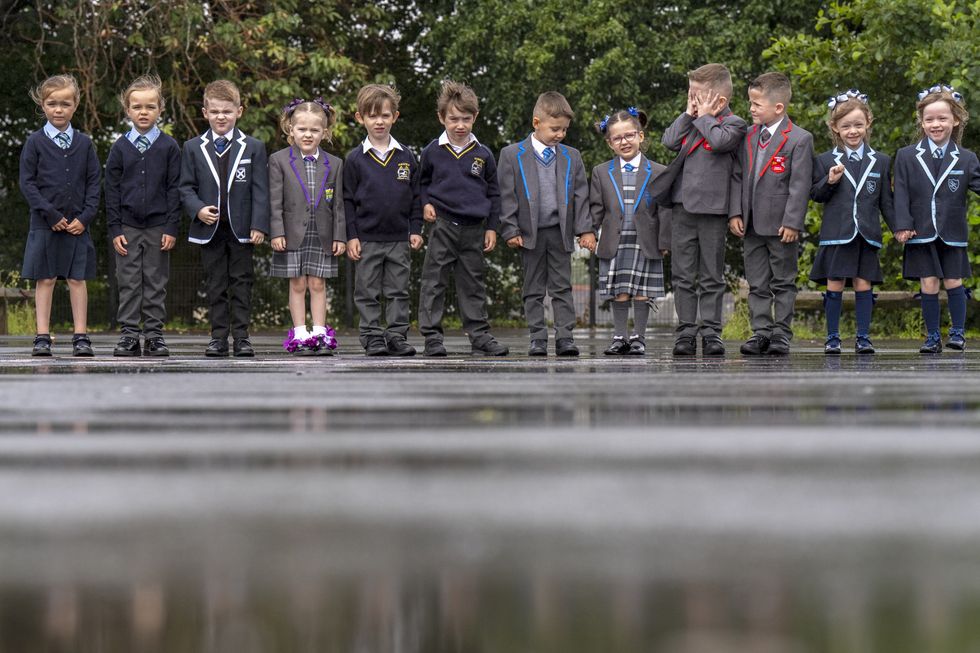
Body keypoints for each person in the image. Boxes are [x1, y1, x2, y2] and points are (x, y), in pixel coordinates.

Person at [657, 63, 746, 357]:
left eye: (697, 96)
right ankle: (685, 331)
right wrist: (689, 114)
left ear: (718, 101)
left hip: (713, 211)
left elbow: (720, 143)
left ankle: (711, 332)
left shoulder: (734, 124)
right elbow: (669, 141)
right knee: (683, 274)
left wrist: (706, 118)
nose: (692, 100)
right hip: (682, 208)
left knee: (711, 275)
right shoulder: (691, 120)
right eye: (690, 94)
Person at [498, 91, 594, 357]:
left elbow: (581, 195)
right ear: (536, 122)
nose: (560, 134)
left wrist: (585, 229)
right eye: (555, 129)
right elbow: (506, 197)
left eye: (564, 129)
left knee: (562, 287)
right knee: (533, 288)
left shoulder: (571, 157)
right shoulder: (511, 155)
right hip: (529, 234)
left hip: (558, 231)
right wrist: (510, 229)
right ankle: (537, 337)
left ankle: (565, 337)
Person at [417, 80, 508, 357]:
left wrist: (492, 228)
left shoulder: (483, 154)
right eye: (453, 119)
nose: (460, 125)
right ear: (441, 118)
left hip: (474, 229)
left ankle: (479, 335)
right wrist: (426, 203)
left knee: (473, 284)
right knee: (434, 281)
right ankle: (432, 337)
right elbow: (421, 183)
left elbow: (494, 193)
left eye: (466, 119)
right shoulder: (432, 151)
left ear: (475, 118)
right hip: (443, 226)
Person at [179, 79, 269, 357]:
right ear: (205, 112)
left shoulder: (253, 146)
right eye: (215, 111)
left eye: (227, 112)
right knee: (215, 284)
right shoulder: (193, 147)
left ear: (239, 112)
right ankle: (218, 337)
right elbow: (185, 187)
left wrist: (258, 224)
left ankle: (242, 337)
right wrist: (197, 209)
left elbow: (261, 189)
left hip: (242, 229)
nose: (221, 117)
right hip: (210, 229)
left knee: (242, 283)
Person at [730, 72, 813, 356]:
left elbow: (799, 186)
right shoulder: (748, 136)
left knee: (783, 281)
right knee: (757, 283)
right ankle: (761, 332)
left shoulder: (799, 139)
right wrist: (735, 213)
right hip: (751, 225)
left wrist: (792, 222)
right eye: (750, 103)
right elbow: (738, 176)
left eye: (756, 104)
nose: (751, 109)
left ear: (778, 107)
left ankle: (781, 334)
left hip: (781, 227)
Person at [894, 84, 980, 353]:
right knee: (928, 283)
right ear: (921, 121)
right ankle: (932, 336)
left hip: (952, 231)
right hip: (920, 231)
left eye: (942, 118)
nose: (936, 124)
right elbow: (901, 194)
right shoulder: (906, 156)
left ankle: (957, 333)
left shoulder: (966, 158)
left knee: (954, 281)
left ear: (955, 120)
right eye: (929, 119)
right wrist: (902, 225)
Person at [19, 74, 100, 357]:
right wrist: (50, 214)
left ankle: (81, 336)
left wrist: (86, 217)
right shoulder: (35, 142)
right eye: (52, 103)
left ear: (75, 105)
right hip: (45, 224)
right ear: (43, 105)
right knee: (46, 278)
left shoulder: (85, 143)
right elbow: (27, 183)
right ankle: (42, 336)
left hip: (78, 225)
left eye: (65, 103)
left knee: (78, 279)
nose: (58, 109)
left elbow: (94, 184)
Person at [809, 89, 895, 355]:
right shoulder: (825, 160)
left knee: (863, 283)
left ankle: (863, 337)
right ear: (835, 127)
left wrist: (900, 228)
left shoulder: (881, 161)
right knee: (834, 283)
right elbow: (816, 194)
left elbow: (886, 202)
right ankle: (833, 337)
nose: (853, 131)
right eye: (846, 126)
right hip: (837, 234)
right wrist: (830, 181)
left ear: (868, 122)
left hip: (866, 234)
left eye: (858, 124)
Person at [105, 74, 182, 357]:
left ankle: (153, 335)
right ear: (127, 110)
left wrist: (171, 227)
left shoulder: (169, 147)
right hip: (127, 226)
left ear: (160, 109)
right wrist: (115, 229)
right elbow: (111, 191)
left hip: (158, 226)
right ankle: (128, 335)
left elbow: (174, 189)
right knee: (128, 282)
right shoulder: (119, 148)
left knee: (155, 280)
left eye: (150, 106)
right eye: (137, 107)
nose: (143, 112)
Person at [344, 83, 423, 356]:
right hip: (366, 239)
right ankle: (371, 336)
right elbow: (347, 201)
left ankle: (397, 335)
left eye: (385, 115)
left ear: (395, 117)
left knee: (398, 290)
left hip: (399, 238)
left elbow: (416, 196)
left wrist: (415, 228)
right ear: (360, 118)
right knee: (366, 291)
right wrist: (351, 235)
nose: (379, 121)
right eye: (372, 115)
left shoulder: (406, 156)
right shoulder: (354, 159)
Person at [589, 108, 670, 356]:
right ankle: (620, 336)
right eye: (617, 138)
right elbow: (596, 208)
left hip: (646, 240)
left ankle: (639, 338)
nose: (624, 142)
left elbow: (665, 210)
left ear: (641, 136)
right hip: (615, 239)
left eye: (629, 136)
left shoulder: (658, 171)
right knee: (620, 291)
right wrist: (588, 231)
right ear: (609, 143)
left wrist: (665, 240)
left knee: (643, 292)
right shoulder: (601, 172)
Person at [269, 98, 345, 356]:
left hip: (322, 233)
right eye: (302, 129)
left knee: (318, 284)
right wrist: (277, 231)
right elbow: (275, 201)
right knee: (298, 284)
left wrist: (340, 236)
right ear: (290, 128)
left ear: (324, 132)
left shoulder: (334, 164)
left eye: (314, 130)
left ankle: (321, 333)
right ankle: (300, 334)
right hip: (292, 233)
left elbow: (339, 204)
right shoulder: (279, 160)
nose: (308, 134)